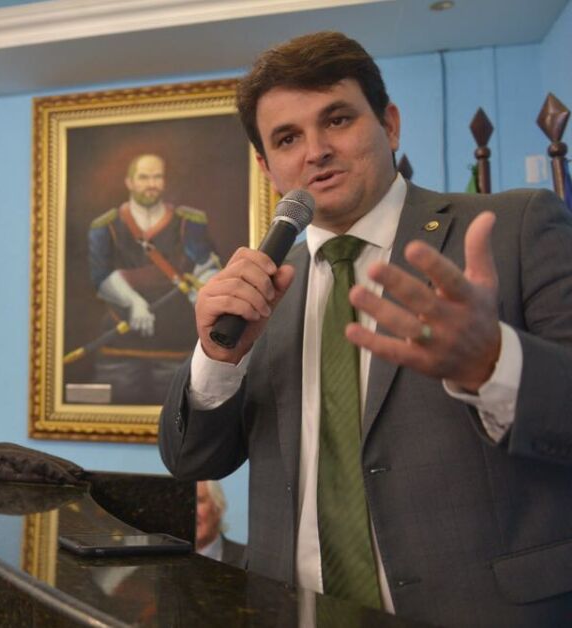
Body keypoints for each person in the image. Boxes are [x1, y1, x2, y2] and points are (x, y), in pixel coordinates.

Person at [159, 31, 572, 626]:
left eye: (338, 119)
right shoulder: (261, 291)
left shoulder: (514, 226)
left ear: (390, 125)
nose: (316, 151)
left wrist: (495, 365)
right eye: (287, 138)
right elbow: (190, 459)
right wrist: (217, 359)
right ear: (267, 167)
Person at [88, 153, 221, 404]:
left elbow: (205, 267)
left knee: (180, 413)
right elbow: (101, 277)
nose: (151, 184)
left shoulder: (189, 222)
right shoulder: (106, 226)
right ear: (129, 182)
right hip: (121, 345)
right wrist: (134, 302)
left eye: (157, 177)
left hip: (177, 344)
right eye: (143, 177)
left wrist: (203, 294)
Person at [195, 481, 244, 568]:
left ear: (218, 509)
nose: (191, 511)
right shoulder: (168, 560)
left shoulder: (247, 559)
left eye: (198, 501)